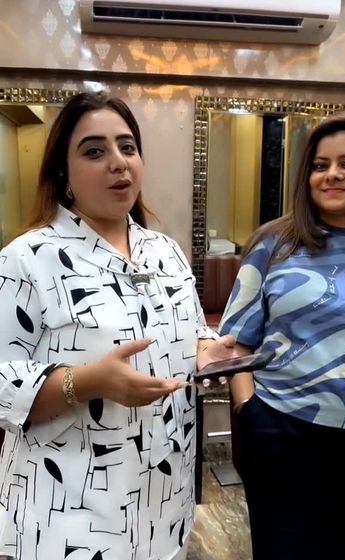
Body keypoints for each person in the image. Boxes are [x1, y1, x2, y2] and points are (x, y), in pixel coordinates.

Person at [0, 91, 235, 560]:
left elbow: (190, 332)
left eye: (128, 147)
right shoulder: (26, 259)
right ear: (63, 173)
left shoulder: (165, 251)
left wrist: (208, 352)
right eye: (94, 151)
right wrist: (91, 381)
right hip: (68, 514)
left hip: (163, 501)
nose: (118, 162)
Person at [219, 116, 345, 560]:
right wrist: (249, 410)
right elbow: (235, 342)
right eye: (319, 165)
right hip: (282, 431)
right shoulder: (275, 245)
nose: (331, 174)